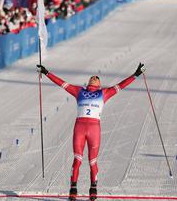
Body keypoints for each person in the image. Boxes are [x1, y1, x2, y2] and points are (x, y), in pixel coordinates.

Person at [37, 63, 145, 200]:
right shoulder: (78, 91)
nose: (95, 77)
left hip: (94, 130)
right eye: (93, 77)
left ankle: (93, 188)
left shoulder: (104, 93)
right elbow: (62, 83)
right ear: (89, 82)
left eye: (97, 77)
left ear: (99, 84)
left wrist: (136, 74)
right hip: (80, 128)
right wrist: (46, 72)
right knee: (77, 160)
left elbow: (121, 85)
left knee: (92, 161)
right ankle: (73, 188)